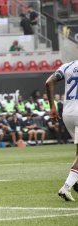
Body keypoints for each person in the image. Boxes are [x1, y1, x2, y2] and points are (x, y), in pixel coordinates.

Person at [46, 60, 78, 201]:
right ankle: (67, 186)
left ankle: (76, 181)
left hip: (68, 113)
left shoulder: (68, 66)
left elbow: (48, 82)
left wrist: (52, 106)